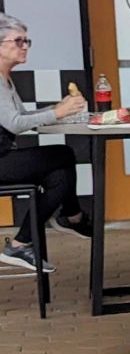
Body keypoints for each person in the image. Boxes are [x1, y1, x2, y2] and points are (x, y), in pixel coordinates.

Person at [0, 15, 88, 273]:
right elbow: (15, 124)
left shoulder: (6, 79)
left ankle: (21, 243)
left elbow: (22, 118)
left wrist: (57, 108)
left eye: (27, 40)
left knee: (59, 174)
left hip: (4, 155)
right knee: (62, 154)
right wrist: (59, 113)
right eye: (18, 41)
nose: (25, 46)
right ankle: (72, 217)